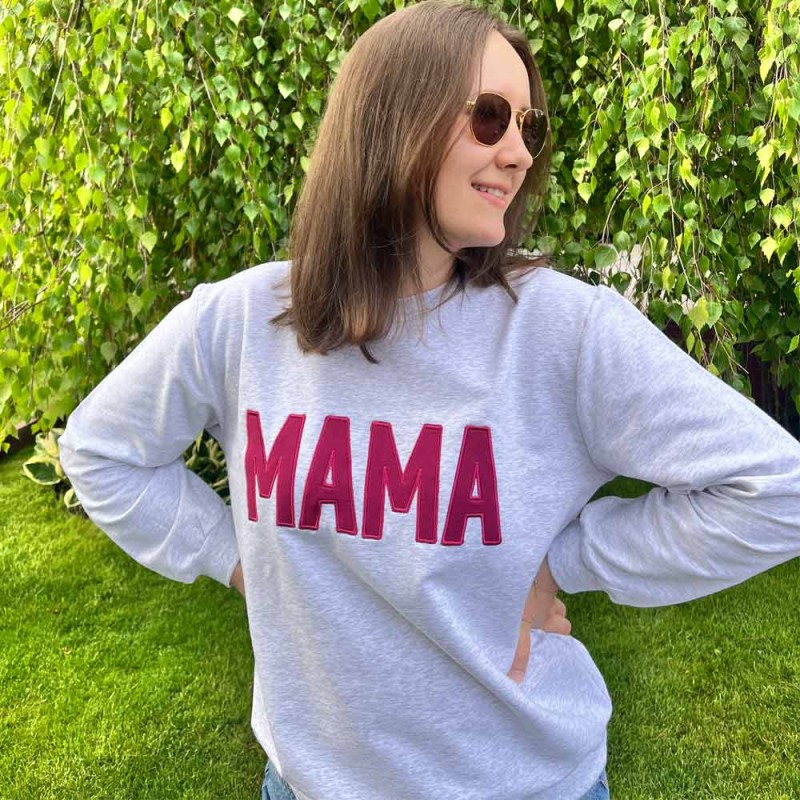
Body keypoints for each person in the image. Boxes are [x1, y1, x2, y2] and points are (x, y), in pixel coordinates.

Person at [58, 1, 800, 799]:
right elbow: (103, 452)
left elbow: (778, 490)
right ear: (391, 121)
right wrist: (233, 560)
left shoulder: (564, 331)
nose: (518, 152)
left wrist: (565, 563)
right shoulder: (241, 322)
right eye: (489, 118)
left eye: (529, 126)